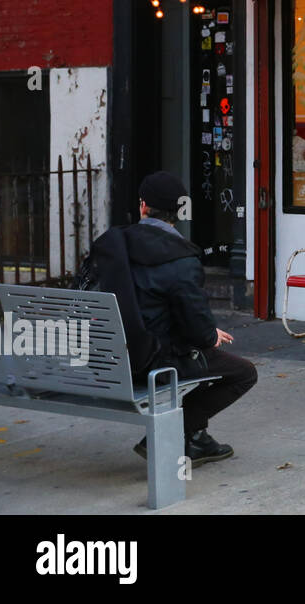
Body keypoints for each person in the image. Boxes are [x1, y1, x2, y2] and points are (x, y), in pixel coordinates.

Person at [122, 171, 257, 465]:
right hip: (154, 362)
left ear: (143, 206)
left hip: (107, 360)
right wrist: (210, 334)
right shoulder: (183, 258)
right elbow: (196, 329)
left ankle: (197, 438)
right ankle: (173, 433)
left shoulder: (111, 246)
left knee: (201, 354)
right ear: (180, 212)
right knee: (242, 372)